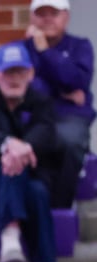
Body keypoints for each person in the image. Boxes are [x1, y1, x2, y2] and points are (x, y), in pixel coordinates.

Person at [0, 44, 63, 262]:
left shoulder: (41, 102)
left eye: (20, 72)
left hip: (27, 187)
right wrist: (8, 144)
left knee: (37, 191)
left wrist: (22, 148)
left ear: (31, 74)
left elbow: (47, 133)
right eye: (8, 72)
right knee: (13, 165)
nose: (14, 79)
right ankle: (9, 240)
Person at [25, 0, 94, 208]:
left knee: (70, 142)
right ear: (31, 18)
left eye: (53, 13)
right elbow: (25, 90)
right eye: (41, 14)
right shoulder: (19, 49)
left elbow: (77, 80)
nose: (47, 19)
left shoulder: (81, 46)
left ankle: (60, 209)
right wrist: (61, 89)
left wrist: (45, 52)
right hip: (31, 116)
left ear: (66, 17)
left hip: (69, 117)